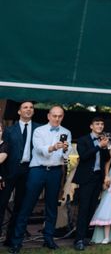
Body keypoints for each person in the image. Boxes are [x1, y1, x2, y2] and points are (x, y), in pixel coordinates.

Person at [9, 106, 71, 253]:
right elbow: (38, 149)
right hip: (38, 170)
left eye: (60, 116)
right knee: (27, 205)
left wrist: (64, 150)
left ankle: (48, 239)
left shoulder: (66, 132)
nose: (57, 119)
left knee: (51, 207)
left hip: (55, 172)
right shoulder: (39, 131)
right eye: (54, 115)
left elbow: (66, 156)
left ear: (62, 117)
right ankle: (17, 241)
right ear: (48, 116)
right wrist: (53, 147)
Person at [0, 101, 40, 246]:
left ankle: (11, 239)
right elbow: (2, 152)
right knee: (2, 204)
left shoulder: (39, 129)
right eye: (25, 107)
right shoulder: (9, 130)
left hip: (28, 172)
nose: (28, 109)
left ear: (33, 111)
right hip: (9, 172)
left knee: (20, 206)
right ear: (19, 112)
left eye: (31, 108)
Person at [71, 117, 111, 251]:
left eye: (102, 124)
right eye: (97, 124)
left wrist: (105, 147)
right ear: (91, 126)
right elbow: (84, 156)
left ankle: (84, 236)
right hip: (86, 179)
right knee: (83, 208)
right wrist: (98, 146)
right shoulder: (83, 140)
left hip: (97, 178)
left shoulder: (103, 140)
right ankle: (78, 240)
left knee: (91, 209)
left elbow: (107, 159)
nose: (100, 126)